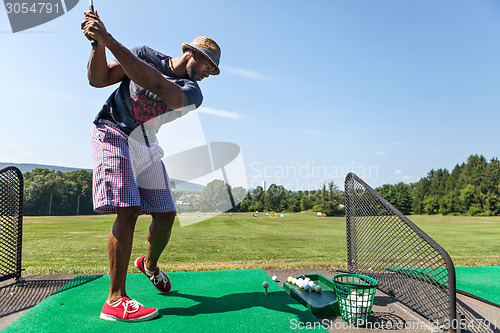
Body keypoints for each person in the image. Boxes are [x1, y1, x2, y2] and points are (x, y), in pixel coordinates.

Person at [81, 11, 221, 322]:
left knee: (166, 215)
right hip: (113, 130)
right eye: (207, 66)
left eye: (212, 71)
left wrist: (109, 39)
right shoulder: (143, 54)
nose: (207, 74)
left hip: (144, 143)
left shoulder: (193, 92)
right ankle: (115, 300)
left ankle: (150, 264)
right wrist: (97, 44)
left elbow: (156, 84)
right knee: (128, 209)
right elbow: (98, 79)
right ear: (193, 54)